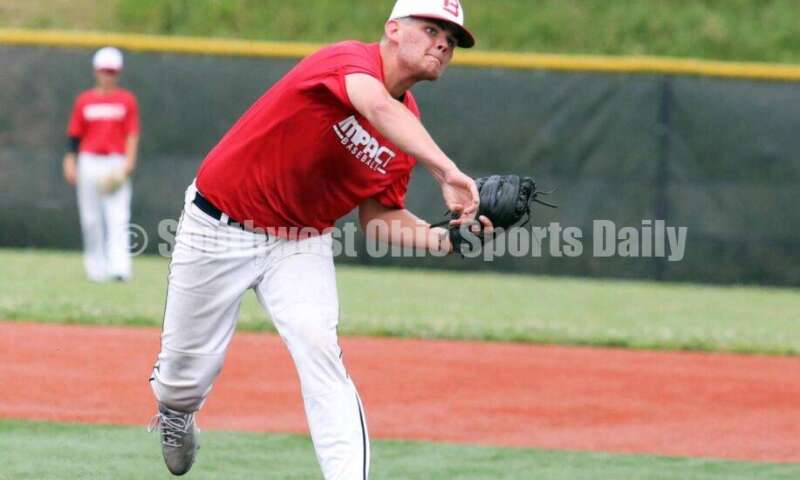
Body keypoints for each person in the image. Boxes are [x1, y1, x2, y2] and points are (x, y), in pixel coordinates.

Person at [147, 0, 491, 478]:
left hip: (299, 241)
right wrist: (447, 170)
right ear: (393, 29)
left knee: (320, 351)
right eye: (432, 28)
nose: (443, 43)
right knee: (182, 379)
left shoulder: (407, 134)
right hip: (218, 225)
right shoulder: (348, 59)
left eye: (452, 40)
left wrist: (452, 240)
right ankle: (176, 412)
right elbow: (372, 103)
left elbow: (379, 219)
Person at [63, 46, 140, 282]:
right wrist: (69, 161)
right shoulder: (84, 101)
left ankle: (119, 268)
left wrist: (128, 163)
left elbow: (132, 134)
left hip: (115, 162)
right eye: (104, 70)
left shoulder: (126, 100)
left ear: (118, 73)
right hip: (89, 161)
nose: (108, 75)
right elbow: (74, 136)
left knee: (118, 215)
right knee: (91, 218)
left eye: (112, 71)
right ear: (96, 71)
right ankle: (96, 269)